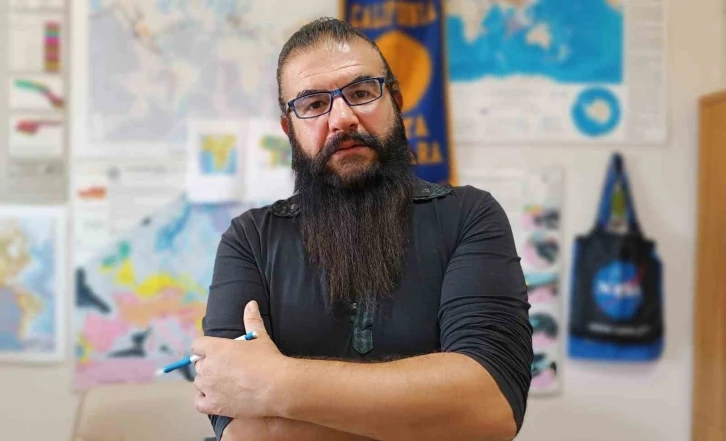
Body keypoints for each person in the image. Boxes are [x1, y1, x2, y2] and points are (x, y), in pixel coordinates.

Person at [192, 17, 533, 441]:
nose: (342, 118)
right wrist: (428, 415)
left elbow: (489, 406)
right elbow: (240, 431)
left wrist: (273, 383)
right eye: (313, 104)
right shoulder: (250, 239)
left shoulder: (469, 216)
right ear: (288, 129)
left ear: (396, 102)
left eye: (361, 92)